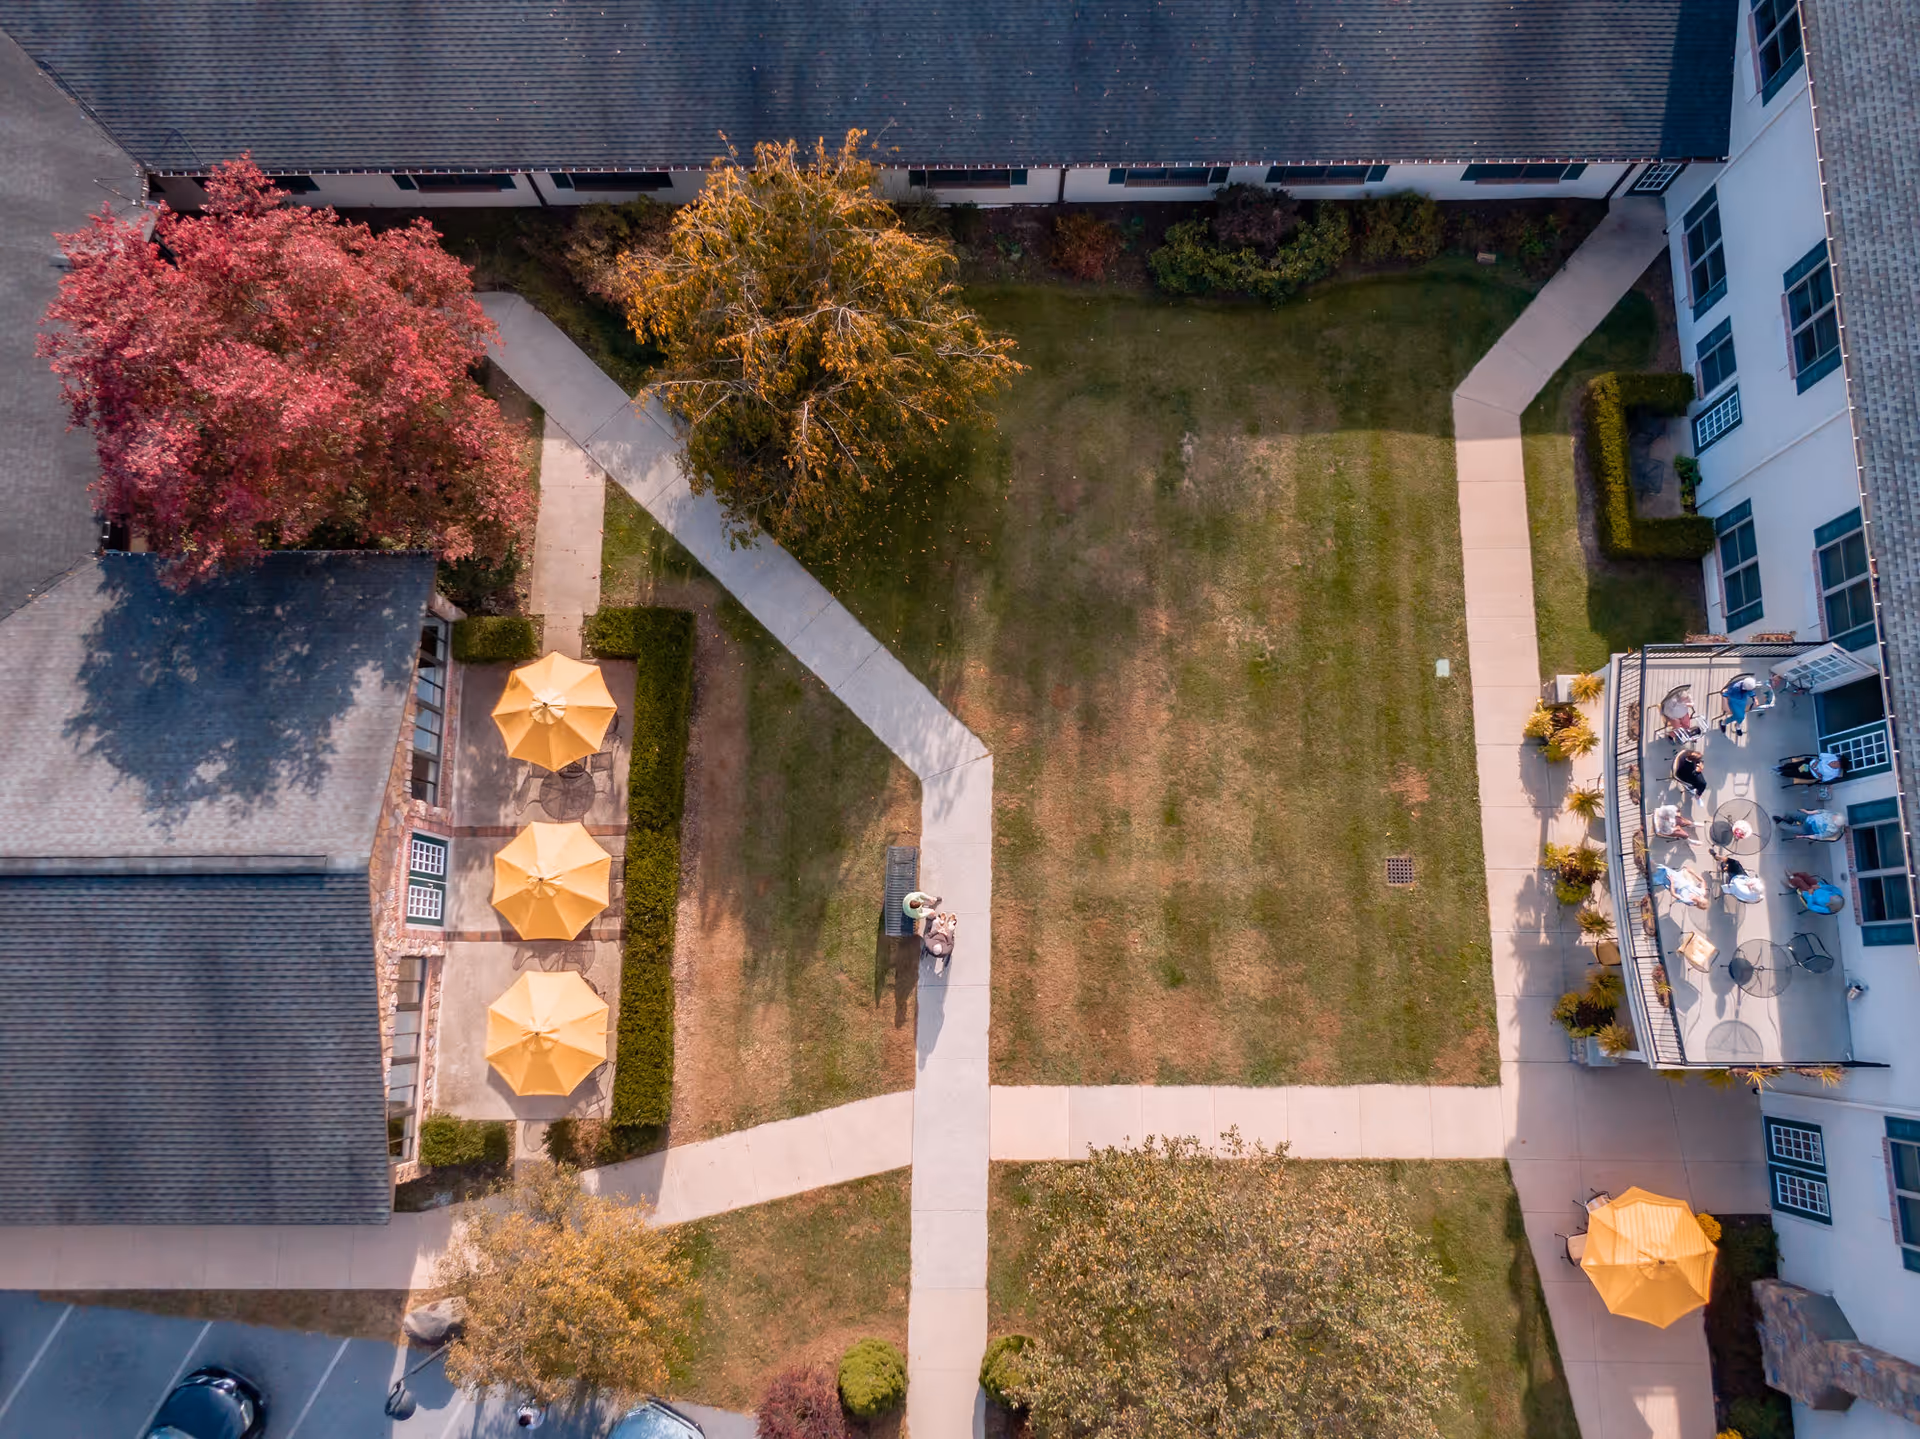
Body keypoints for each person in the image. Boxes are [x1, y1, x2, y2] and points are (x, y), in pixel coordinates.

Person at [1774, 808, 1847, 842]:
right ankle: (1787, 821)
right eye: (1835, 816)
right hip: (1807, 817)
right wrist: (1808, 812)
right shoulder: (1832, 814)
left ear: (1836, 823)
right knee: (1790, 813)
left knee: (1789, 828)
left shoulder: (1831, 830)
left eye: (1834, 818)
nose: (1833, 816)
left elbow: (1818, 837)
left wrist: (1805, 836)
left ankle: (1780, 822)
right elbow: (1820, 811)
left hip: (1808, 829)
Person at [1776, 752, 1849, 784]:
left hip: (1812, 773)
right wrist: (1816, 763)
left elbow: (1823, 778)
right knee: (1797, 765)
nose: (1837, 763)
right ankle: (1781, 767)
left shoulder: (1834, 773)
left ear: (1840, 767)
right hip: (1811, 763)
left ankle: (1782, 773)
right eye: (1838, 761)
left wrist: (1816, 771)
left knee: (1797, 773)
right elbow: (1821, 756)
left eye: (1839, 764)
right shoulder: (1833, 757)